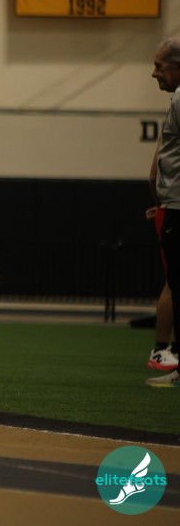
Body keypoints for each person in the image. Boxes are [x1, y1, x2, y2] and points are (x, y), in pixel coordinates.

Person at [148, 36, 180, 387]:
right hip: (172, 204)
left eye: (159, 66)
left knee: (175, 285)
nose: (154, 73)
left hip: (177, 208)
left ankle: (164, 352)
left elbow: (155, 167)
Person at [146, 143, 178, 372]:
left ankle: (171, 349)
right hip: (172, 210)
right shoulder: (171, 131)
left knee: (174, 281)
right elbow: (153, 174)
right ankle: (161, 349)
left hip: (170, 208)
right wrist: (162, 206)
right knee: (172, 281)